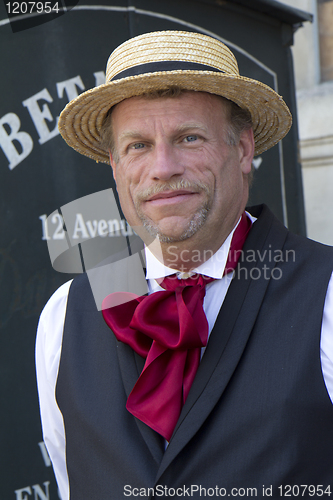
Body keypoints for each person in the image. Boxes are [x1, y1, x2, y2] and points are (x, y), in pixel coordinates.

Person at [36, 31, 333, 500]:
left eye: (188, 137)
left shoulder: (326, 292)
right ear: (114, 166)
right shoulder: (64, 315)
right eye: (137, 146)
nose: (163, 167)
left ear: (242, 149)